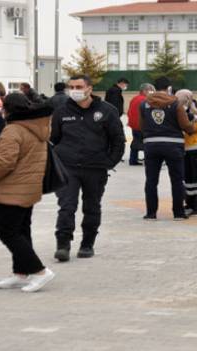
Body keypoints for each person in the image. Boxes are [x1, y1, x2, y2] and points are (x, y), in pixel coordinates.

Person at [0, 93, 55, 293]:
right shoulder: (36, 126)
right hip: (28, 187)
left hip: (11, 189)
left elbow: (6, 161)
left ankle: (40, 271)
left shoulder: (13, 130)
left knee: (6, 231)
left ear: (8, 109)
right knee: (22, 230)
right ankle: (21, 272)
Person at [52, 75, 125, 262]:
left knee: (92, 207)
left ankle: (87, 244)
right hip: (67, 167)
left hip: (95, 168)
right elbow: (54, 138)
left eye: (79, 86)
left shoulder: (107, 111)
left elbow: (117, 140)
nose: (74, 90)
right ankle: (63, 244)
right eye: (71, 86)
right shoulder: (61, 111)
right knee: (67, 206)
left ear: (89, 89)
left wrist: (109, 162)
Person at [141, 76, 196, 221]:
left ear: (154, 87)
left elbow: (142, 124)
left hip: (151, 145)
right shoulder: (175, 103)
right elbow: (184, 124)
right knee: (177, 180)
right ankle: (178, 213)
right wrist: (193, 128)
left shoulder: (144, 104)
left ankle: (151, 213)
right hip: (173, 145)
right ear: (169, 88)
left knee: (151, 181)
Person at [177, 89, 197, 216]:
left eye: (180, 100)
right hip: (185, 149)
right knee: (188, 178)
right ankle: (190, 204)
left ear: (188, 98)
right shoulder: (181, 110)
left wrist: (187, 124)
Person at [127, 83, 155, 166]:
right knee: (147, 143)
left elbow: (129, 111)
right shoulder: (145, 100)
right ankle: (148, 161)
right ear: (145, 90)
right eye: (151, 90)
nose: (152, 92)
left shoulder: (134, 98)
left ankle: (133, 160)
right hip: (142, 125)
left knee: (135, 142)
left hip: (133, 124)